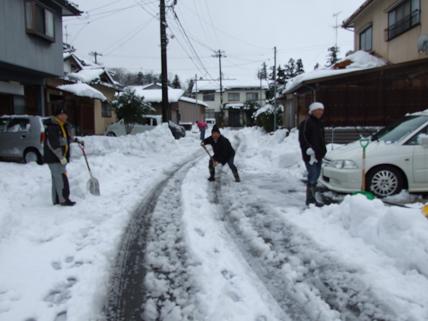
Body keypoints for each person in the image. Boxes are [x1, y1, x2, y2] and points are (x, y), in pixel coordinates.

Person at [44, 107, 83, 206]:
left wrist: (76, 140)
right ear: (58, 115)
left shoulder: (62, 125)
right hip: (55, 158)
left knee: (56, 178)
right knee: (61, 178)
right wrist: (61, 157)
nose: (65, 116)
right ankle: (64, 200)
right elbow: (53, 144)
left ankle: (56, 199)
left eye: (66, 114)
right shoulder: (53, 127)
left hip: (59, 158)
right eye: (63, 114)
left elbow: (65, 139)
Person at [298, 102, 327, 207]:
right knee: (313, 176)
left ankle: (312, 199)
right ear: (312, 111)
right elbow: (303, 138)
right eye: (318, 110)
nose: (320, 112)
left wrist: (324, 150)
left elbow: (322, 139)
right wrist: (308, 149)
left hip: (319, 154)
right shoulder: (306, 122)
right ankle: (310, 200)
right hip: (310, 155)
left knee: (316, 175)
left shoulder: (319, 123)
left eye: (322, 110)